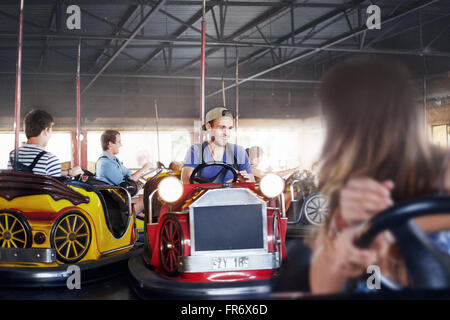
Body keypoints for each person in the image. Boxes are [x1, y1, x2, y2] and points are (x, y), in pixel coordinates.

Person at [309, 57, 450, 294]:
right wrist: (342, 242)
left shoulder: (442, 167)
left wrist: (386, 229)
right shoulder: (350, 190)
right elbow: (322, 289)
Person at [181, 107, 255, 184]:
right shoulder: (196, 150)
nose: (226, 133)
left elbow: (251, 183)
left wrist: (245, 181)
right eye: (221, 127)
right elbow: (186, 180)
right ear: (209, 127)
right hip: (205, 195)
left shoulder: (239, 152)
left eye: (229, 128)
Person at [8, 109, 82, 177]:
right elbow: (56, 188)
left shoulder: (12, 156)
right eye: (51, 131)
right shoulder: (50, 159)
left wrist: (68, 172)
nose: (50, 136)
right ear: (46, 131)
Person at [96, 130, 151, 215]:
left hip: (119, 195)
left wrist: (136, 183)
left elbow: (128, 173)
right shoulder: (105, 163)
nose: (121, 145)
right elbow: (126, 184)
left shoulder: (114, 160)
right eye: (119, 142)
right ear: (110, 144)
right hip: (113, 201)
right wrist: (144, 168)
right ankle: (130, 223)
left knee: (150, 196)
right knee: (149, 199)